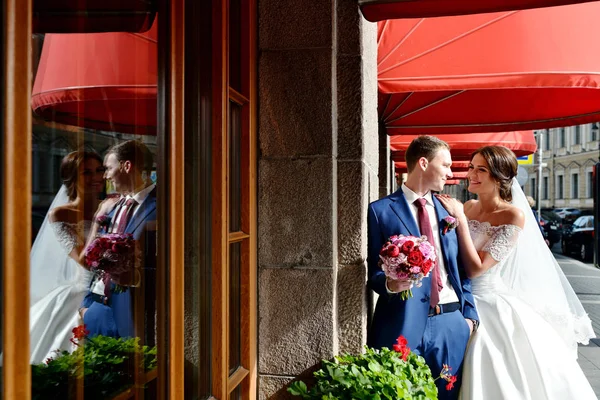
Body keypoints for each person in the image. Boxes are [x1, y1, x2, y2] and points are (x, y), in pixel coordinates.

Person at [436, 146, 596, 400]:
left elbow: (477, 269)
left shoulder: (513, 215)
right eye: (471, 167)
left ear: (499, 177)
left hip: (489, 302)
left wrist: (461, 222)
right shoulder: (467, 206)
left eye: (481, 170)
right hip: (457, 298)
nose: (471, 174)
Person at [367, 135, 479, 399]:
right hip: (400, 323)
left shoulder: (448, 211)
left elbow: (460, 269)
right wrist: (390, 283)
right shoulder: (380, 211)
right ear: (424, 163)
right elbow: (372, 272)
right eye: (446, 165)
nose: (451, 173)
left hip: (451, 323)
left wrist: (469, 318)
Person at [29, 150, 106, 363]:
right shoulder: (60, 214)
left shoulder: (113, 205)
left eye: (99, 170)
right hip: (82, 290)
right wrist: (99, 221)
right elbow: (84, 260)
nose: (96, 177)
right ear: (72, 178)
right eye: (86, 173)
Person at [79, 140, 157, 345]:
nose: (104, 175)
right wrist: (86, 308)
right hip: (96, 308)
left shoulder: (162, 206)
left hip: (132, 315)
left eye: (108, 168)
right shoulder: (111, 207)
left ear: (127, 166)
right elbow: (93, 258)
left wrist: (137, 276)